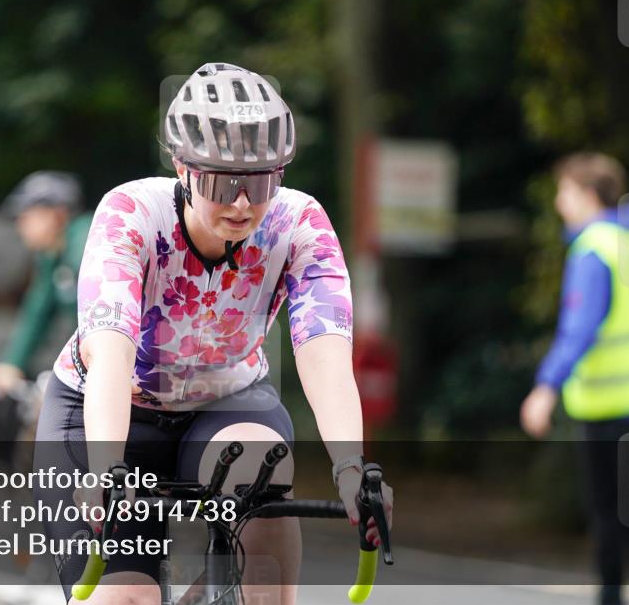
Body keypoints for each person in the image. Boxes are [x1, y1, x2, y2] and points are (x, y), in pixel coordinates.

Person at [33, 63, 394, 605]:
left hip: (226, 402)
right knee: (126, 598)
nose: (243, 203)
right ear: (182, 168)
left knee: (262, 468)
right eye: (225, 183)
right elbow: (110, 354)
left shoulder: (299, 224)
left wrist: (350, 468)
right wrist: (106, 469)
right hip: (112, 406)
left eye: (261, 182)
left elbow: (325, 354)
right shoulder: (131, 214)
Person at [520, 152, 629, 605]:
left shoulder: (593, 248)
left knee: (606, 509)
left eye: (565, 192)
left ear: (588, 195)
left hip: (605, 402)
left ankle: (610, 593)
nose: (559, 202)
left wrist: (546, 387)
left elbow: (579, 329)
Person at [0, 171, 92, 397]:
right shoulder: (53, 257)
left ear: (57, 214)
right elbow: (37, 312)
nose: (20, 225)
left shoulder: (86, 241)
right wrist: (12, 363)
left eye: (27, 216)